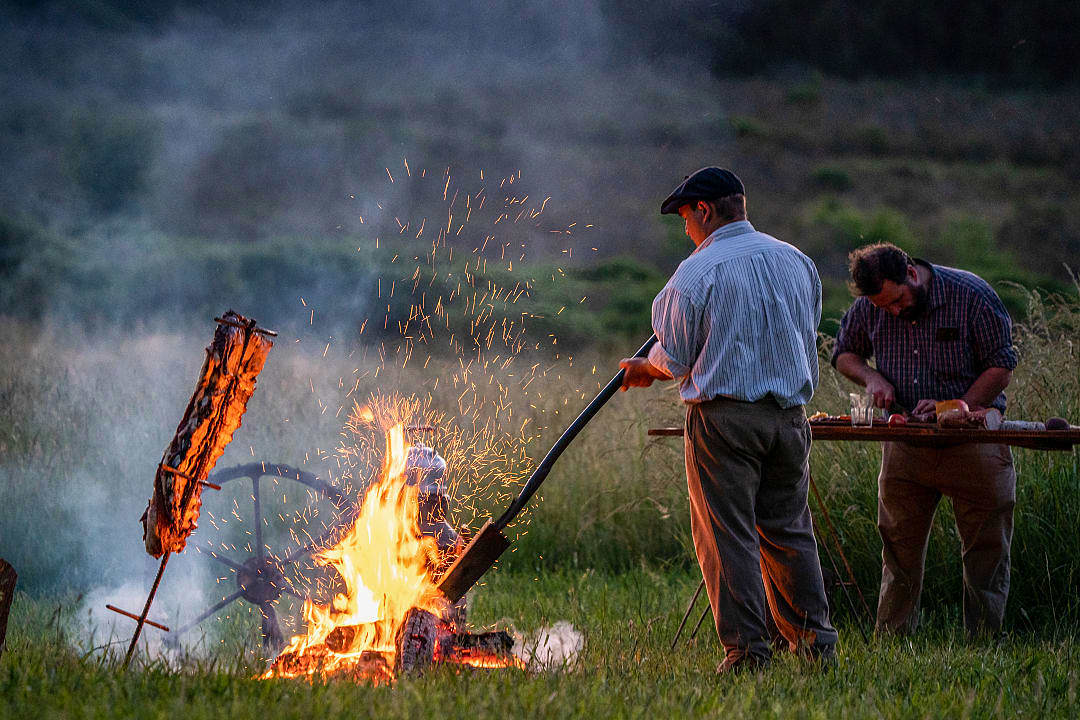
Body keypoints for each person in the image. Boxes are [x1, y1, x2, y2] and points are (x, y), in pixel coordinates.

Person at [620, 167, 837, 673]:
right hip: (789, 418)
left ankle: (746, 653)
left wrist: (644, 369)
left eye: (685, 219)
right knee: (789, 531)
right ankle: (814, 647)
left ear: (704, 210)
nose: (686, 230)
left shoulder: (696, 272)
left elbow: (673, 357)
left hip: (725, 420)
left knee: (728, 535)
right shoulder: (796, 261)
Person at [831, 243, 1017, 638]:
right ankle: (893, 642)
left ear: (911, 274)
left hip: (973, 442)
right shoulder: (872, 305)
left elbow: (1002, 364)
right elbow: (844, 352)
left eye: (898, 300)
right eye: (885, 308)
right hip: (905, 444)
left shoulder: (971, 295)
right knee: (898, 552)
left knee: (986, 552)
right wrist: (872, 378)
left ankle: (984, 642)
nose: (894, 311)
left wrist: (958, 407)